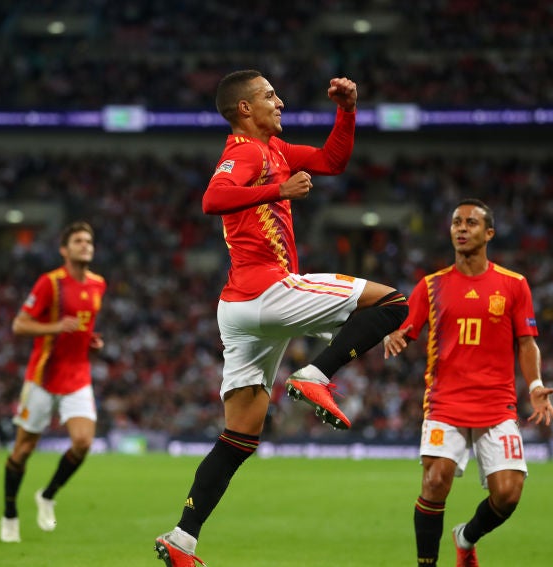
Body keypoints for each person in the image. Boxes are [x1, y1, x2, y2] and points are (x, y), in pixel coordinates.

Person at [154, 70, 408, 566]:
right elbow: (212, 199)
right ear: (245, 109)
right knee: (396, 302)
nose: (282, 102)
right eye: (270, 96)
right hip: (267, 288)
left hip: (240, 308)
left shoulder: (277, 151)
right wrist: (279, 193)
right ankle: (316, 373)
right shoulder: (245, 151)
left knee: (239, 438)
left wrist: (348, 110)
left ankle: (182, 539)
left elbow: (333, 160)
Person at [383, 199, 553, 567]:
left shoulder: (513, 285)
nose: (461, 229)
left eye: (471, 223)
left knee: (508, 494)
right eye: (456, 223)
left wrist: (536, 385)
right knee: (434, 481)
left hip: (497, 404)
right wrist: (393, 337)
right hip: (446, 402)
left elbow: (526, 342)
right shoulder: (431, 286)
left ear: (489, 233)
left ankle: (466, 537)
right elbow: (405, 329)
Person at [0, 221, 107, 543]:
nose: (85, 245)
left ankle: (47, 494)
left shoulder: (99, 284)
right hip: (43, 377)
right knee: (22, 451)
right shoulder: (50, 283)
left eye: (89, 240)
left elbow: (81, 326)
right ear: (64, 250)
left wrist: (89, 340)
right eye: (78, 240)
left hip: (77, 376)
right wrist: (56, 327)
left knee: (84, 442)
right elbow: (19, 325)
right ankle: (9, 514)